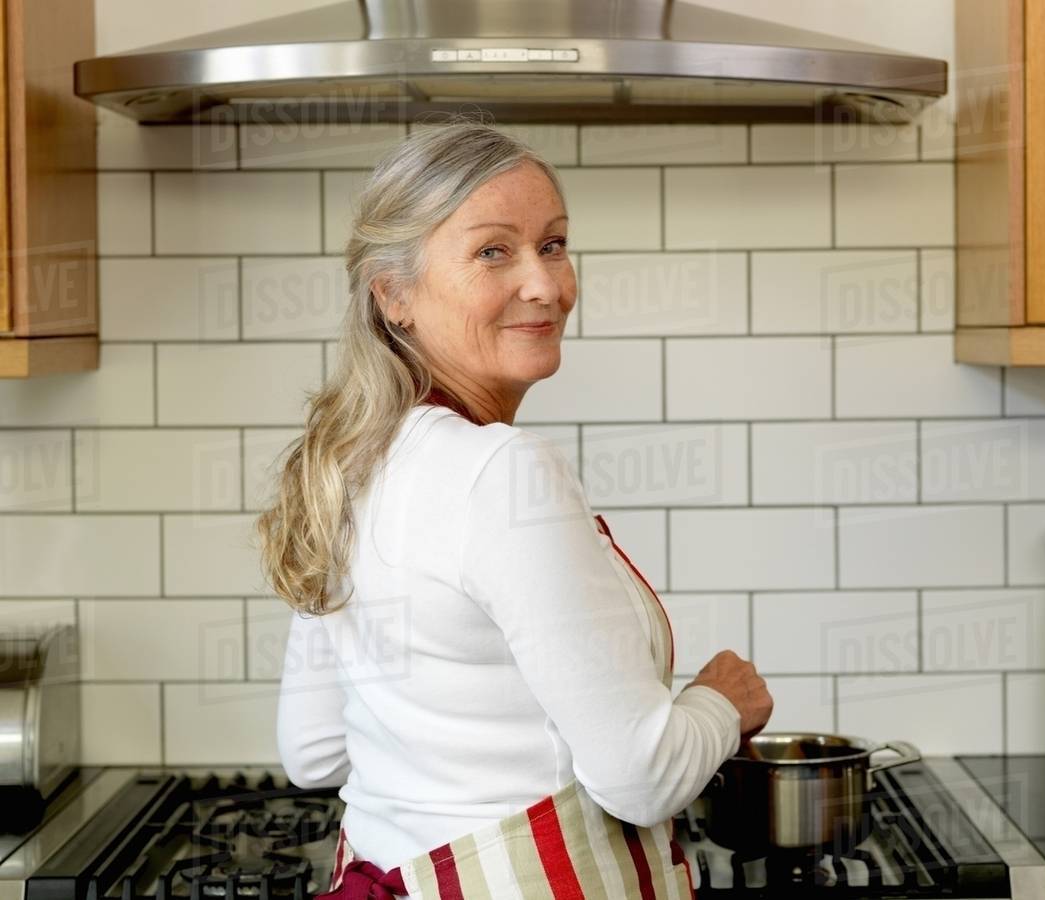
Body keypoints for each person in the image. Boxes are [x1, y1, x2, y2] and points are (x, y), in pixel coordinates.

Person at [256, 114, 773, 900]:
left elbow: (315, 750)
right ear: (394, 294)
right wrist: (721, 703)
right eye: (493, 251)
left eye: (553, 244)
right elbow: (641, 779)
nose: (545, 285)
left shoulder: (346, 462)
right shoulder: (500, 470)